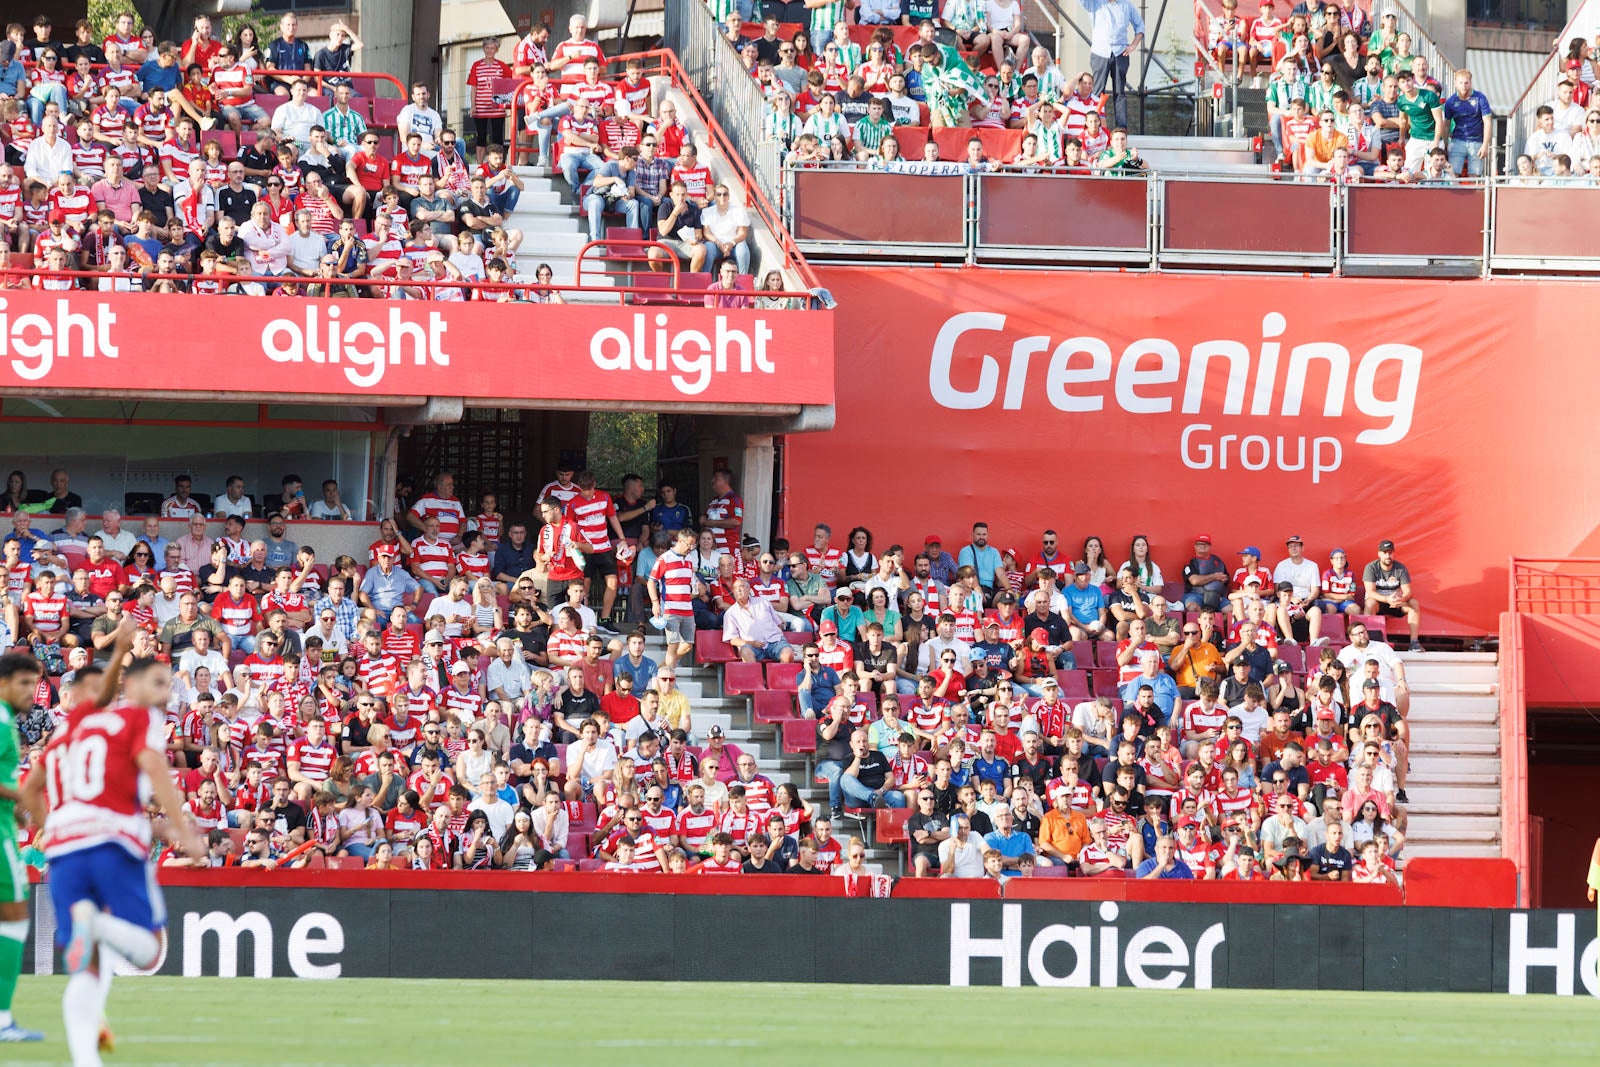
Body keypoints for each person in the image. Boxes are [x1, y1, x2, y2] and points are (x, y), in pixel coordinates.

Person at [21, 620, 204, 1065]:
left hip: (63, 853)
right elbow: (156, 769)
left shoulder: (62, 734)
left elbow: (29, 794)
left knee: (87, 969)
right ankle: (97, 926)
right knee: (147, 950)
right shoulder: (132, 720)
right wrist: (181, 828)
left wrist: (50, 825)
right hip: (112, 843)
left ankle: (88, 1060)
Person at [1077, 0, 1144, 130]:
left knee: (1119, 91)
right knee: (1097, 90)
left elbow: (1140, 26)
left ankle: (1121, 127)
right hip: (1100, 52)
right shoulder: (1095, 3)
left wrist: (1134, 44)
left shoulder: (1126, 5)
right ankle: (1093, 124)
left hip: (1120, 52)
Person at [1362, 539, 1422, 651]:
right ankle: (1369, 641)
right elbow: (1370, 592)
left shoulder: (1400, 568)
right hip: (1379, 603)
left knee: (1414, 603)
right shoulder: (1371, 567)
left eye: (1390, 553)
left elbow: (1408, 591)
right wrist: (1386, 599)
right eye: (1384, 553)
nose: (1387, 556)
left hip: (1395, 603)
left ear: (1394, 553)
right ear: (1379, 554)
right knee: (1369, 603)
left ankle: (1414, 642)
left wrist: (1401, 599)